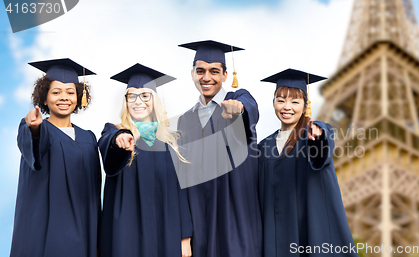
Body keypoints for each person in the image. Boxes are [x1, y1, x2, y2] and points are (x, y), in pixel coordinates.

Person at [259, 69, 358, 257]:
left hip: (307, 234)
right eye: (281, 100)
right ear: (273, 103)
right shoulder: (263, 147)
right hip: (274, 238)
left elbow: (322, 148)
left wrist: (319, 136)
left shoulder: (311, 135)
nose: (287, 107)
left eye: (295, 102)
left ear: (305, 106)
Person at [98, 63, 193, 257]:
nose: (137, 101)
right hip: (124, 231)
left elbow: (181, 192)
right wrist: (120, 138)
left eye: (144, 95)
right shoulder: (114, 131)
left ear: (155, 100)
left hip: (165, 229)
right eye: (131, 96)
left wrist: (185, 238)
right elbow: (107, 144)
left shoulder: (172, 142)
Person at [177, 40, 262, 257]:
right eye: (201, 71)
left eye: (214, 71)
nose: (206, 77)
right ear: (192, 74)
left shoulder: (238, 99)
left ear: (225, 75)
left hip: (234, 217)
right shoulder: (185, 120)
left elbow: (249, 107)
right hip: (200, 221)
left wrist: (239, 110)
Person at [11, 58, 101, 257]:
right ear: (44, 98)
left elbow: (95, 192)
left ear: (79, 97)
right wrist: (33, 128)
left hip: (84, 230)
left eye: (70, 92)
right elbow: (34, 146)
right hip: (46, 231)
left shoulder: (89, 138)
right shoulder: (38, 129)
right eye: (56, 92)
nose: (64, 98)